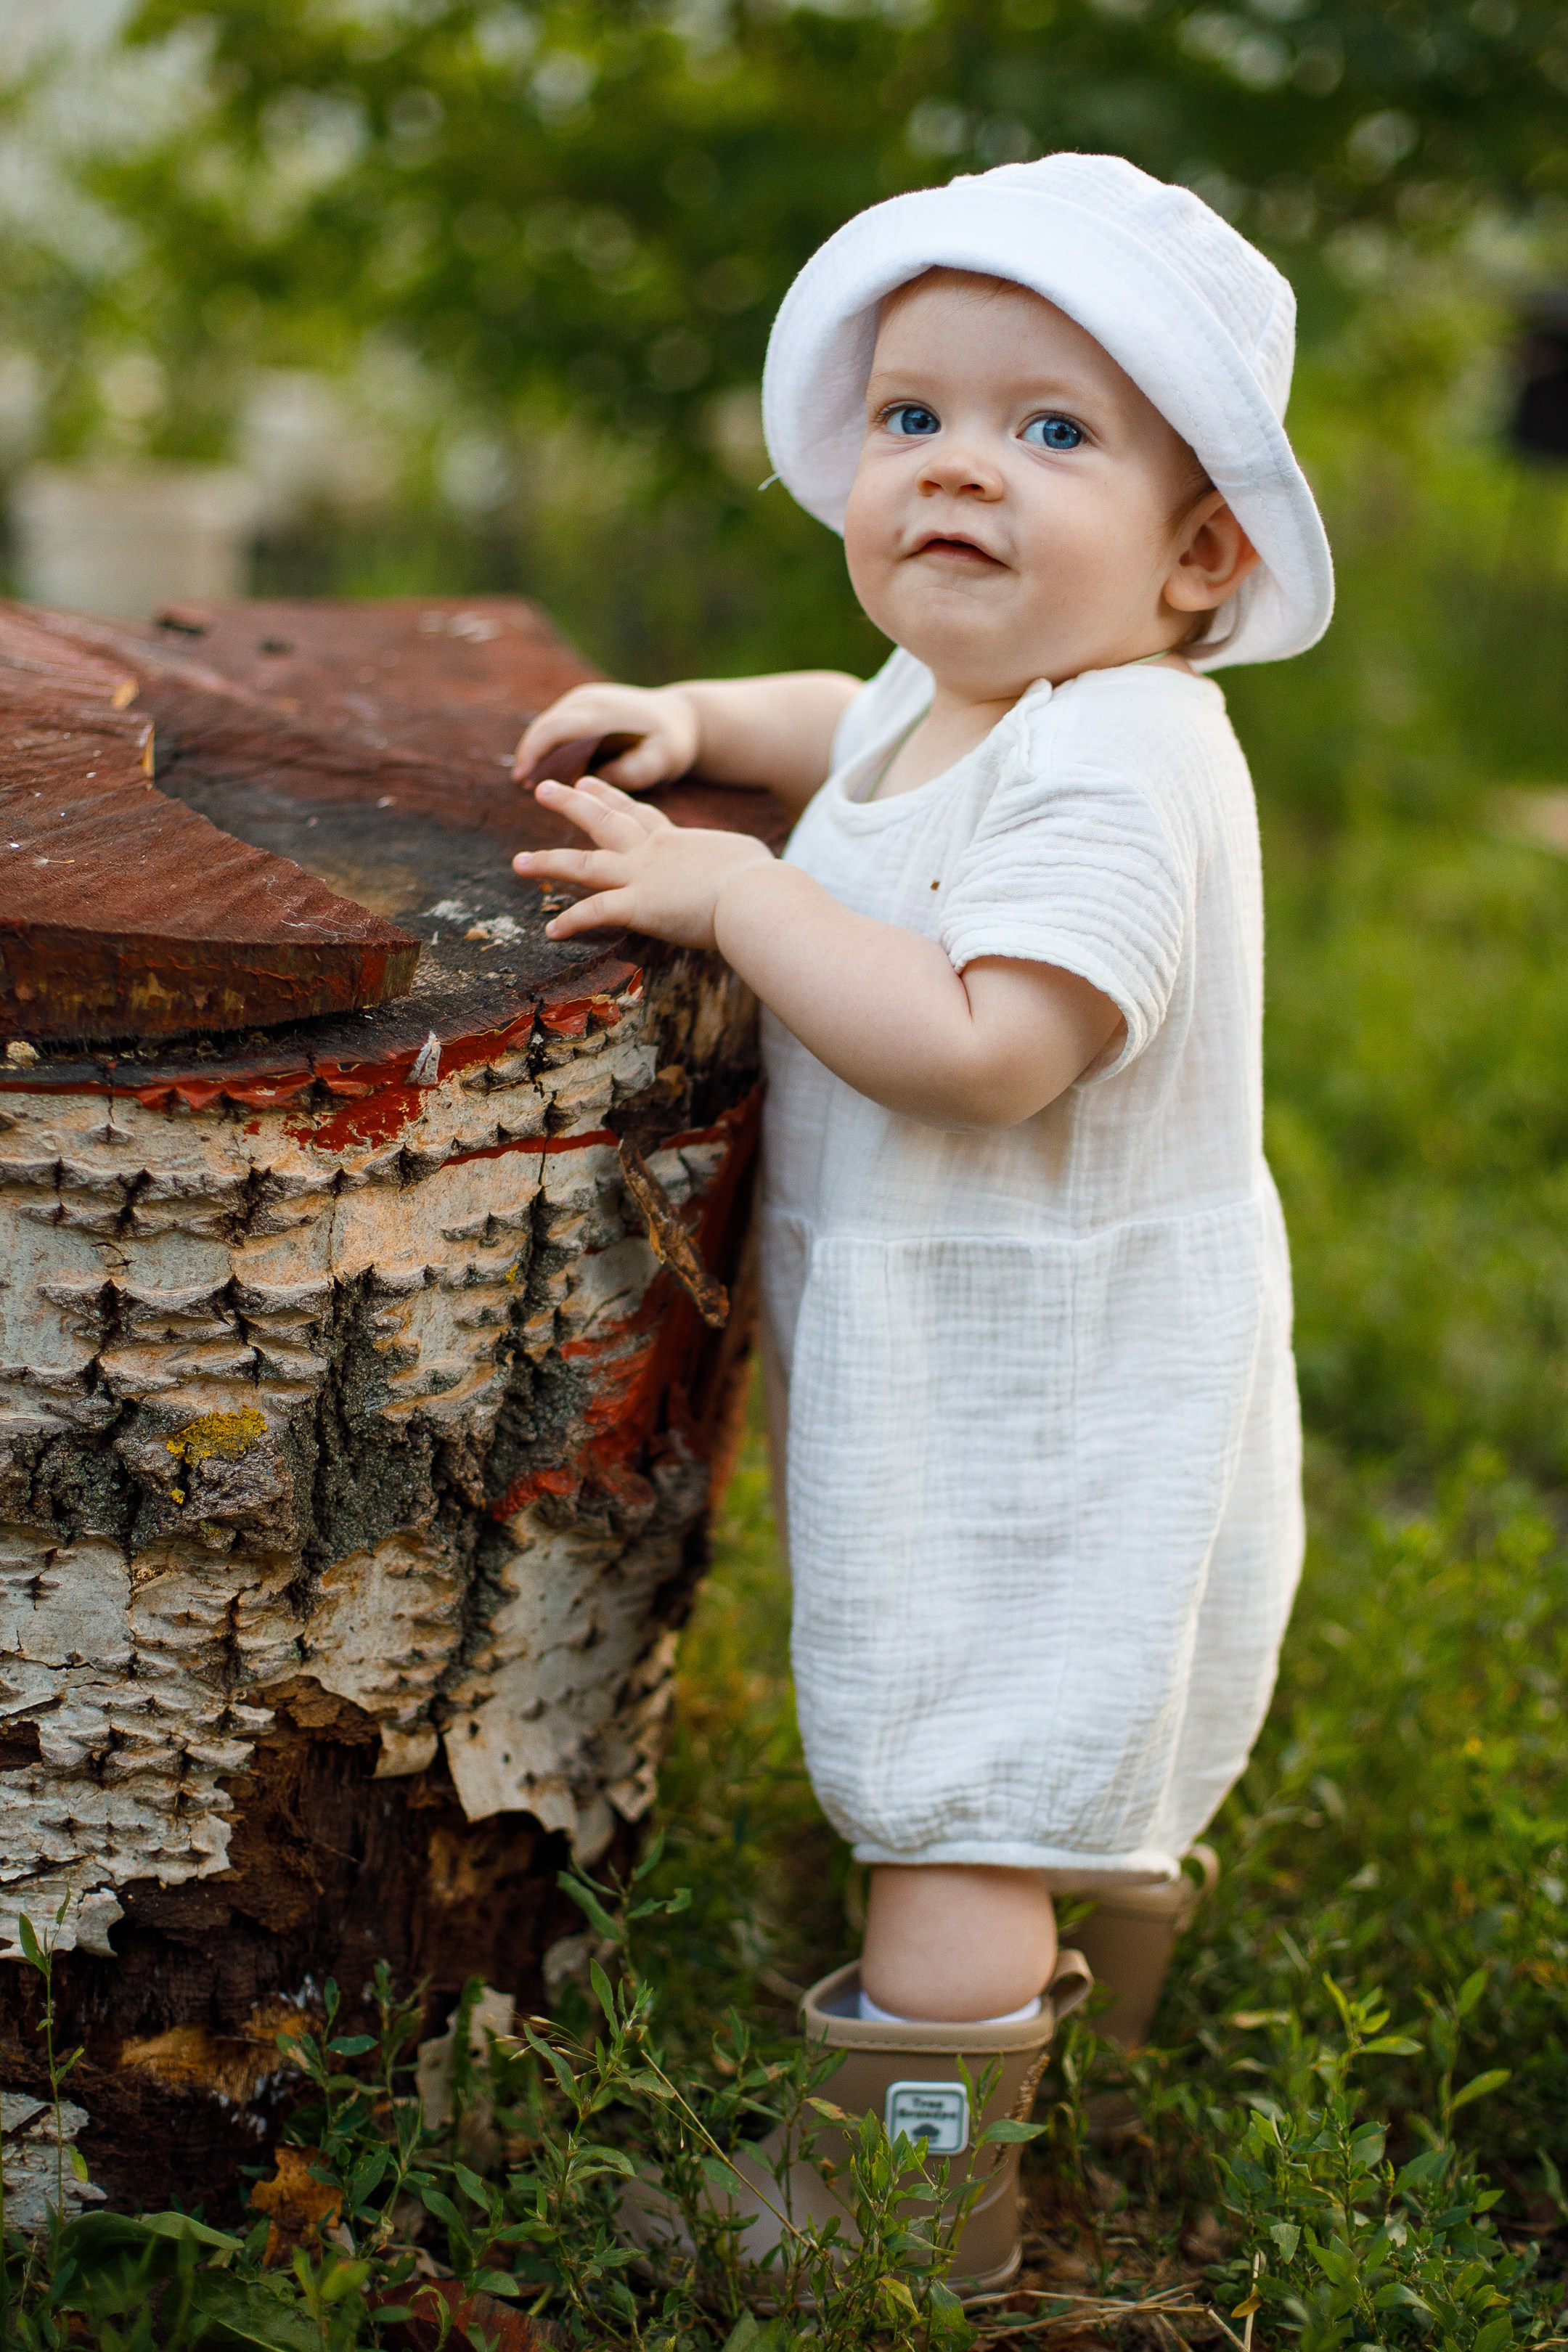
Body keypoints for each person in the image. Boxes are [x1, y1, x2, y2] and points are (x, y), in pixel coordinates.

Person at [510, 152, 1333, 2291]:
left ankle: (910, 2202)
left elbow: (991, 1048)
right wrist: (706, 730)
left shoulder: (1127, 763)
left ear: (1202, 552)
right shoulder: (974, 695)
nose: (961, 469)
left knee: (964, 1773)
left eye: (1053, 430)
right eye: (916, 418)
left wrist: (738, 892)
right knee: (1045, 1709)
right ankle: (1102, 1988)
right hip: (989, 1338)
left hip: (1046, 1371)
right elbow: (848, 728)